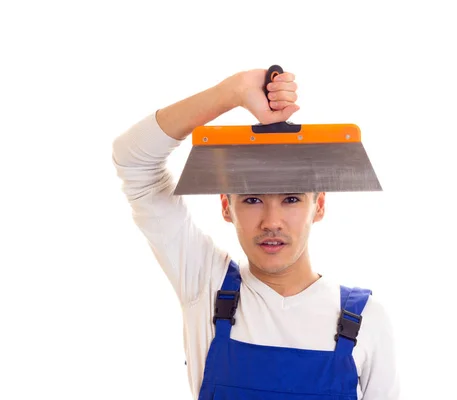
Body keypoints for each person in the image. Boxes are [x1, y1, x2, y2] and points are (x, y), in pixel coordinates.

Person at [111, 68, 400, 399]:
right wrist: (233, 92)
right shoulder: (205, 286)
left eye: (291, 199)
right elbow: (132, 160)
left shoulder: (365, 321)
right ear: (225, 206)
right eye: (252, 199)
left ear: (319, 206)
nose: (271, 221)